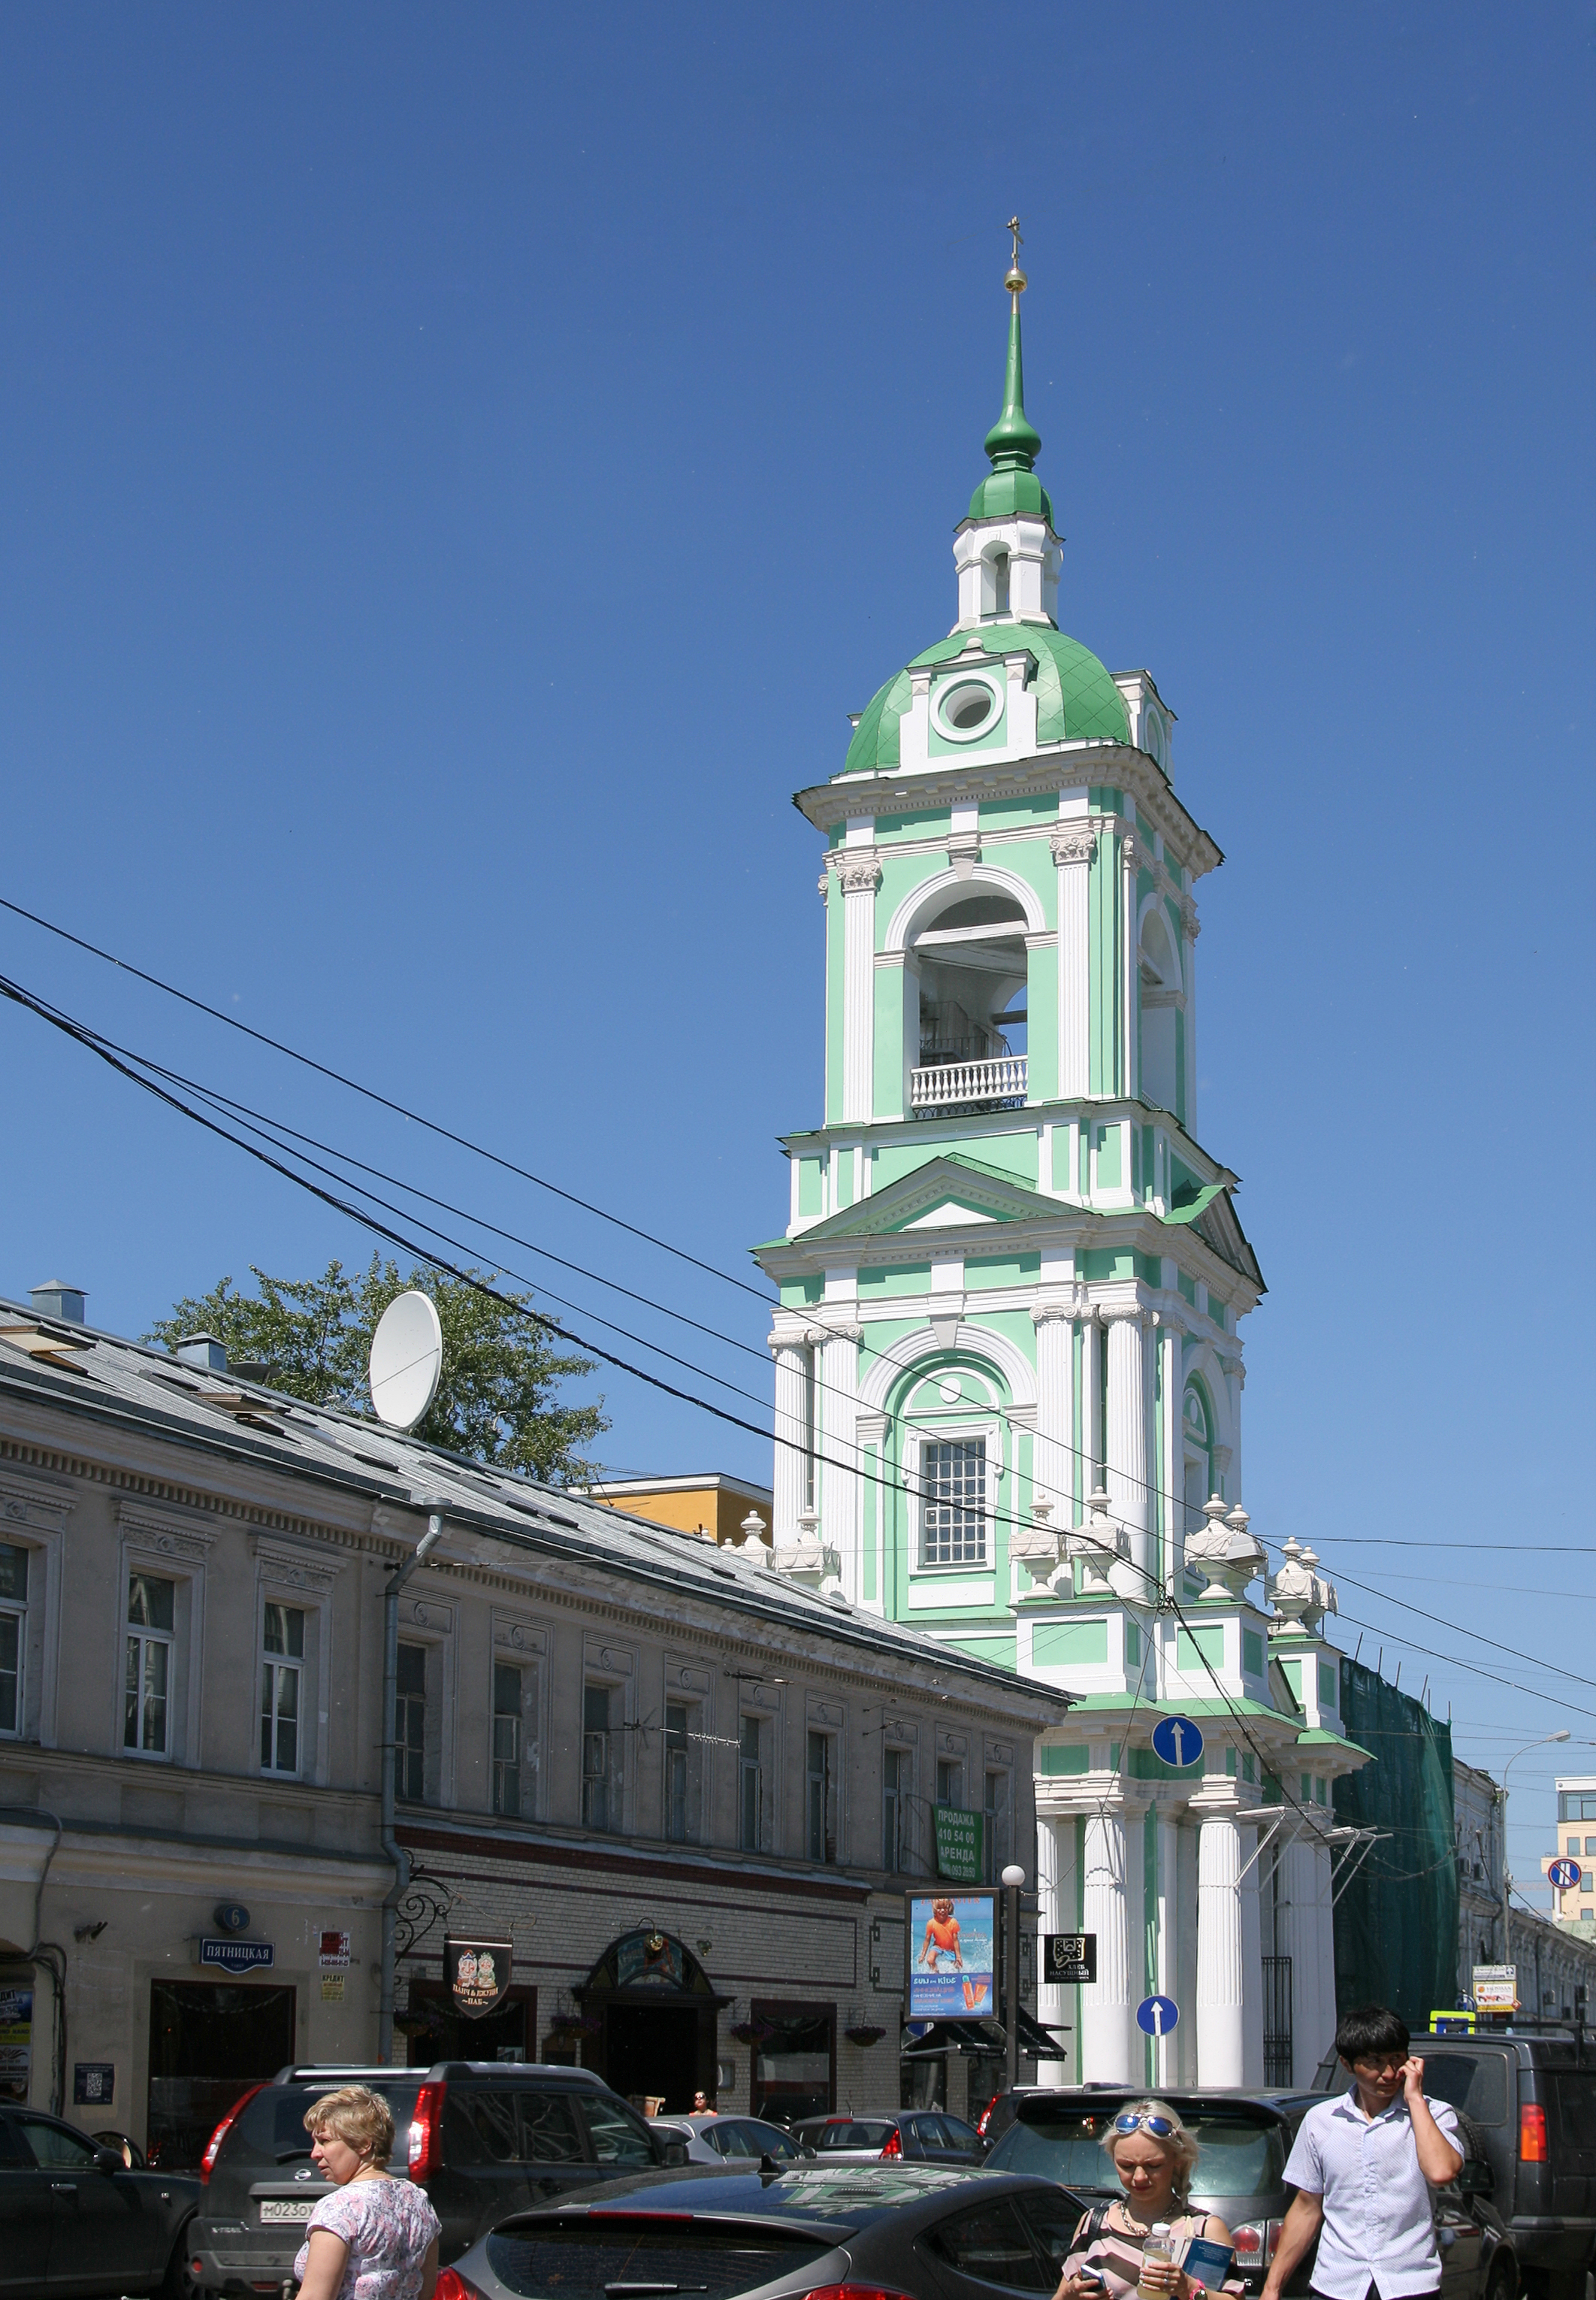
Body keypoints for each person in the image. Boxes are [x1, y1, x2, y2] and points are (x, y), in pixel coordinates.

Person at [1259, 2005, 1463, 2300]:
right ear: (1347, 2064)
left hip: (1410, 2284)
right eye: (1375, 2062)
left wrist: (1415, 2099)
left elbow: (1441, 2172)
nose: (1389, 2073)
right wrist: (1272, 2288)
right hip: (1337, 2284)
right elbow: (1307, 2208)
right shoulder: (1321, 2121)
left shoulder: (1435, 2115)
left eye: (1396, 2059)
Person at [1054, 2102, 1235, 2300]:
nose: (1139, 2177)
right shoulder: (1094, 2224)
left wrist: (1189, 2288)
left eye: (1154, 2166)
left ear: (1178, 2161)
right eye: (1127, 2165)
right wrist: (1069, 2295)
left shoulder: (1205, 2230)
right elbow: (1062, 2295)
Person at [292, 2084, 440, 2300]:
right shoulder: (418, 2202)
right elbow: (426, 2294)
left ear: (363, 2144)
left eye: (325, 2141)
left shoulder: (341, 2207)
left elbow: (315, 2296)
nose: (314, 2153)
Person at [919, 1897, 963, 1971]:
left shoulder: (953, 1922)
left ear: (948, 1909)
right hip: (938, 1947)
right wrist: (923, 1955)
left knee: (956, 1968)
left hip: (950, 1949)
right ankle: (936, 1973)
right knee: (930, 1960)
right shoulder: (931, 1923)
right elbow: (927, 1940)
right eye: (939, 1908)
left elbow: (955, 1940)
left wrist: (958, 1956)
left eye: (945, 1908)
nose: (942, 1910)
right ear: (935, 1910)